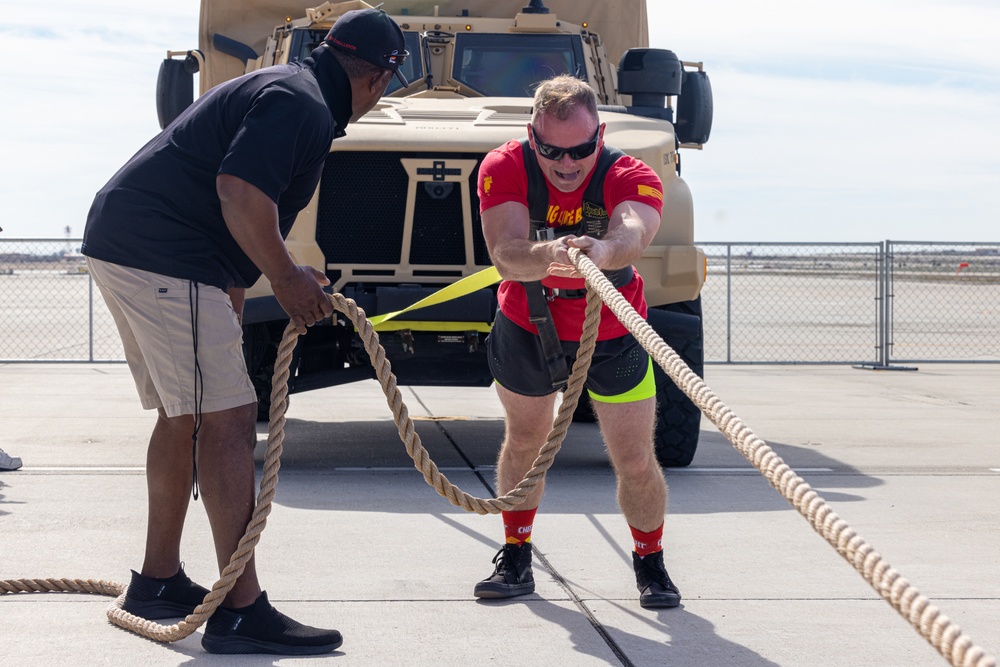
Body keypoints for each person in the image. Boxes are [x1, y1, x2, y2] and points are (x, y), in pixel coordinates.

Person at [81, 9, 408, 655]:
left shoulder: (287, 86)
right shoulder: (302, 104)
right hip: (167, 256)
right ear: (377, 77)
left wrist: (263, 281)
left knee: (186, 417)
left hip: (132, 243)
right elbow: (238, 193)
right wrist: (286, 280)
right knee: (228, 419)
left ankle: (156, 581)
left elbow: (227, 207)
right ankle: (241, 609)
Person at [474, 75, 681, 609]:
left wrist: (603, 251)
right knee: (524, 443)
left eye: (581, 149)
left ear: (601, 134)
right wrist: (548, 256)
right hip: (528, 325)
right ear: (531, 137)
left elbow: (634, 233)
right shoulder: (504, 167)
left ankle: (650, 564)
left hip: (613, 331)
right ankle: (516, 556)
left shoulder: (630, 173)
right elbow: (505, 253)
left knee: (635, 458)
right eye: (551, 151)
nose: (567, 164)